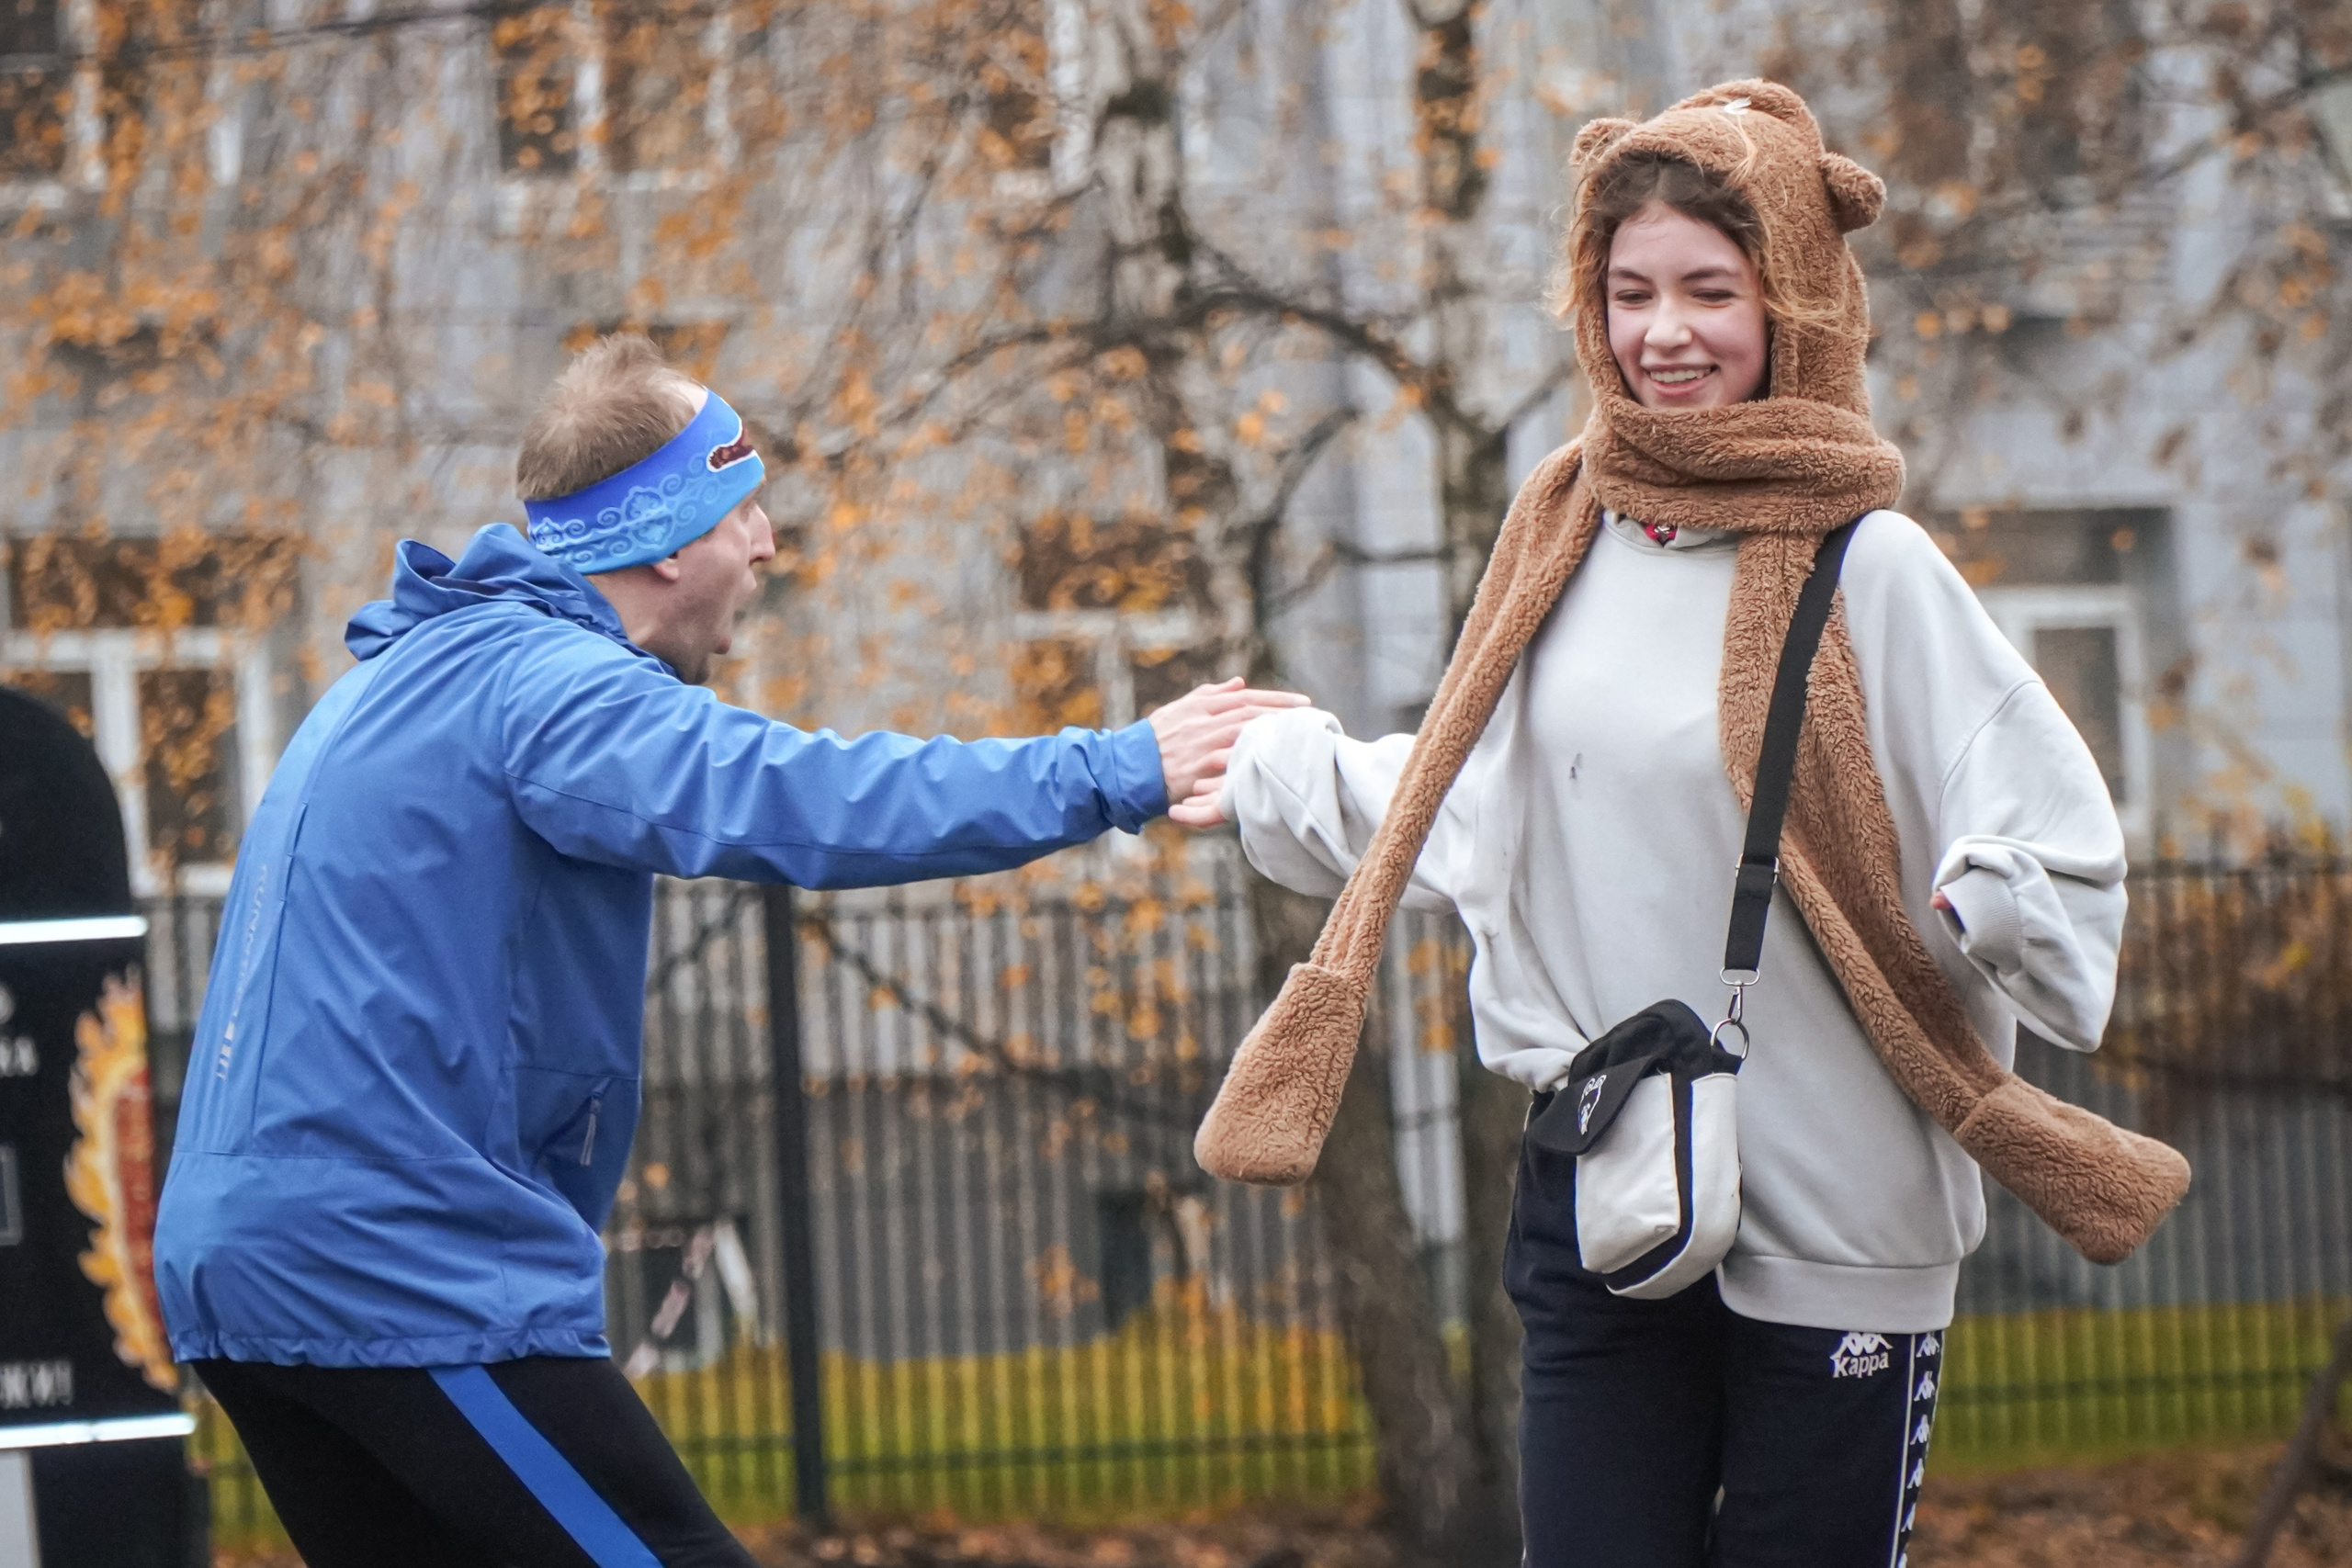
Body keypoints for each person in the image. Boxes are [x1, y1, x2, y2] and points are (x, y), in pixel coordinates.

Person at [153, 333, 1306, 1568]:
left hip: (249, 1268)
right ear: (666, 543)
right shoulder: (554, 693)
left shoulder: (413, 676)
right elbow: (801, 797)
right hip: (396, 1273)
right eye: (745, 510)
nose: (767, 545)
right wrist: (1116, 767)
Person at [1182, 83, 2132, 1566]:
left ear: (1796, 304)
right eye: (1629, 293)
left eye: (1709, 290)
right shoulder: (1567, 519)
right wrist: (1278, 768)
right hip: (1607, 1192)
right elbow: (1481, 800)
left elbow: (2052, 835)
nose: (1663, 333)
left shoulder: (1870, 567)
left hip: (1833, 1214)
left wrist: (1986, 898)